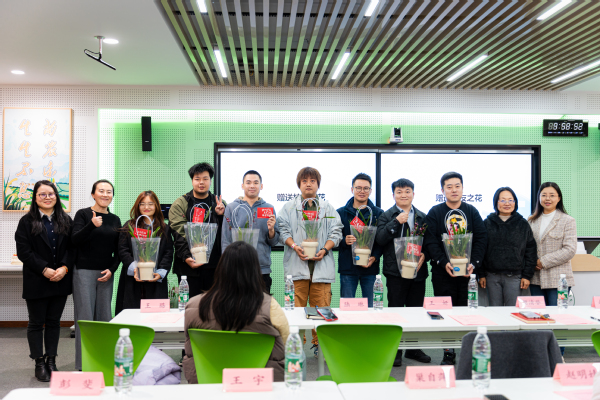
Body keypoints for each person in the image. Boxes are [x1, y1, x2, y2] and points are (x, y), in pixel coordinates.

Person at [182, 241, 289, 383]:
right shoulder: (270, 306)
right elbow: (286, 342)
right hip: (260, 383)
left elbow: (189, 344)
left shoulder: (193, 306)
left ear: (220, 269)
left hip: (209, 382)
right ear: (255, 270)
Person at [277, 167, 342, 357]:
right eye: (304, 180)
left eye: (312, 181)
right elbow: (282, 230)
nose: (308, 184)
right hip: (297, 268)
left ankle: (318, 345)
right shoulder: (289, 208)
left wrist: (325, 249)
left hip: (321, 269)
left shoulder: (327, 208)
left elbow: (336, 232)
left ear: (318, 184)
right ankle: (296, 345)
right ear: (299, 184)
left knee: (321, 309)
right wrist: (294, 246)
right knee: (295, 311)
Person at [424, 172, 487, 365]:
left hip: (468, 274)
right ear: (442, 190)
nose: (453, 190)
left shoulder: (472, 211)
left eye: (457, 186)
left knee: (467, 313)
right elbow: (430, 241)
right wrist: (444, 262)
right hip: (442, 274)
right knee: (445, 314)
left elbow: (481, 238)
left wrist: (474, 263)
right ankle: (448, 353)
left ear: (462, 188)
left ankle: (467, 352)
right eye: (449, 186)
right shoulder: (435, 212)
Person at [15, 180, 74, 382]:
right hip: (37, 280)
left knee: (54, 323)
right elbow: (24, 251)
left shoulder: (66, 220)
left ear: (56, 196)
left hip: (60, 280)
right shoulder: (26, 221)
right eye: (42, 194)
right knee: (36, 323)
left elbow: (72, 249)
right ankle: (39, 362)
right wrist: (44, 269)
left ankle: (51, 360)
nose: (47, 197)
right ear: (35, 197)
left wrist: (64, 268)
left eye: (51, 194)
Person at [375, 178, 431, 366]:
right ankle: (396, 350)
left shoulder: (422, 216)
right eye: (399, 192)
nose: (404, 195)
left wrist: (425, 254)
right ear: (393, 195)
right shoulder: (386, 216)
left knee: (415, 310)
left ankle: (413, 348)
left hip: (417, 271)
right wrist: (395, 222)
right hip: (395, 272)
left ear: (413, 194)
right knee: (396, 310)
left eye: (407, 191)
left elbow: (429, 243)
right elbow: (380, 239)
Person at [71, 179, 121, 371]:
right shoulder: (83, 214)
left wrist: (112, 269)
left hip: (105, 273)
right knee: (85, 318)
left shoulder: (115, 219)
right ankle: (84, 364)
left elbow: (118, 250)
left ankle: (103, 362)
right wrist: (91, 225)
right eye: (101, 191)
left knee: (105, 318)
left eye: (109, 191)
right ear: (93, 194)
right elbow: (74, 240)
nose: (105, 194)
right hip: (83, 272)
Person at [169, 163, 226, 298]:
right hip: (188, 266)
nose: (201, 182)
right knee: (189, 305)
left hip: (214, 267)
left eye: (205, 179)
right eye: (197, 179)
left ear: (210, 181)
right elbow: (178, 233)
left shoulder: (219, 203)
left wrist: (221, 216)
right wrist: (186, 257)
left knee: (213, 305)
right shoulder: (181, 203)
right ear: (192, 181)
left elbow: (226, 233)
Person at [115, 191, 174, 314]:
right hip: (133, 279)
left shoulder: (164, 228)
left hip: (155, 278)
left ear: (156, 206)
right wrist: (135, 268)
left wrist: (160, 273)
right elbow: (123, 249)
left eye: (150, 204)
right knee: (131, 315)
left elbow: (168, 252)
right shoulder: (130, 225)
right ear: (138, 206)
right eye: (142, 204)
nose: (146, 207)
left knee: (155, 316)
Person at [221, 170, 279, 294]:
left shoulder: (269, 208)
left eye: (256, 183)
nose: (252, 186)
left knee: (262, 305)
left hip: (261, 270)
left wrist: (271, 230)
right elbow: (226, 240)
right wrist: (227, 267)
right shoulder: (231, 207)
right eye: (248, 182)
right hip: (236, 270)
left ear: (261, 186)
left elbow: (273, 242)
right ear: (242, 186)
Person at [479, 187, 537, 306]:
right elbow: (480, 250)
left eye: (511, 200)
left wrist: (527, 275)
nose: (507, 203)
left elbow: (530, 251)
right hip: (491, 276)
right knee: (495, 311)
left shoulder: (522, 224)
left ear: (515, 203)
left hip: (514, 277)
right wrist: (481, 274)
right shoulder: (487, 223)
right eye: (503, 200)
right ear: (496, 202)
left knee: (512, 311)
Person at [337, 173, 383, 307]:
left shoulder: (378, 214)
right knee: (347, 307)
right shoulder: (341, 213)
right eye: (358, 188)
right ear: (352, 189)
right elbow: (333, 238)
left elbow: (381, 241)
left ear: (370, 190)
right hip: (348, 269)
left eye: (366, 188)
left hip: (370, 268)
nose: (362, 191)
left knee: (371, 308)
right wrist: (344, 240)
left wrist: (374, 257)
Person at [527, 182, 576, 305]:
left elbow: (569, 250)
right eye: (543, 195)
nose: (547, 198)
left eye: (552, 195)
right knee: (538, 315)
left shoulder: (568, 220)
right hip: (535, 279)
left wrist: (543, 261)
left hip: (559, 279)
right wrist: (532, 262)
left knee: (558, 313)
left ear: (559, 198)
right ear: (539, 198)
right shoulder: (531, 220)